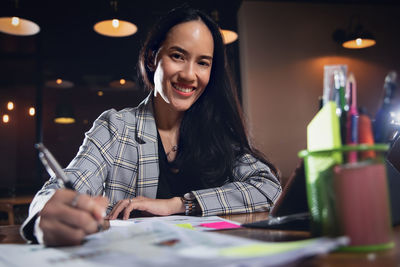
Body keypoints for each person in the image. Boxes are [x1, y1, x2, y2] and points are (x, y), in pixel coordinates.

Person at [21, 6, 282, 246]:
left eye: (203, 62)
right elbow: (61, 189)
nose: (189, 74)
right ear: (152, 58)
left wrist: (178, 204)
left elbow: (268, 187)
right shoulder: (116, 128)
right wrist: (44, 216)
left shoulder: (216, 131)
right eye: (178, 56)